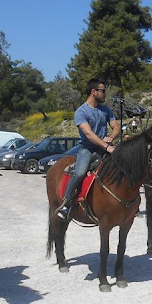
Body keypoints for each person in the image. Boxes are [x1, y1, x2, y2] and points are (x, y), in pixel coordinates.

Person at [56, 79, 120, 220]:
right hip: (87, 149)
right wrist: (107, 147)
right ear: (93, 92)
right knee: (79, 173)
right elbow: (89, 134)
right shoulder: (81, 112)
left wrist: (111, 137)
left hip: (105, 147)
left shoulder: (106, 110)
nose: (105, 94)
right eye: (103, 91)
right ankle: (66, 204)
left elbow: (116, 127)